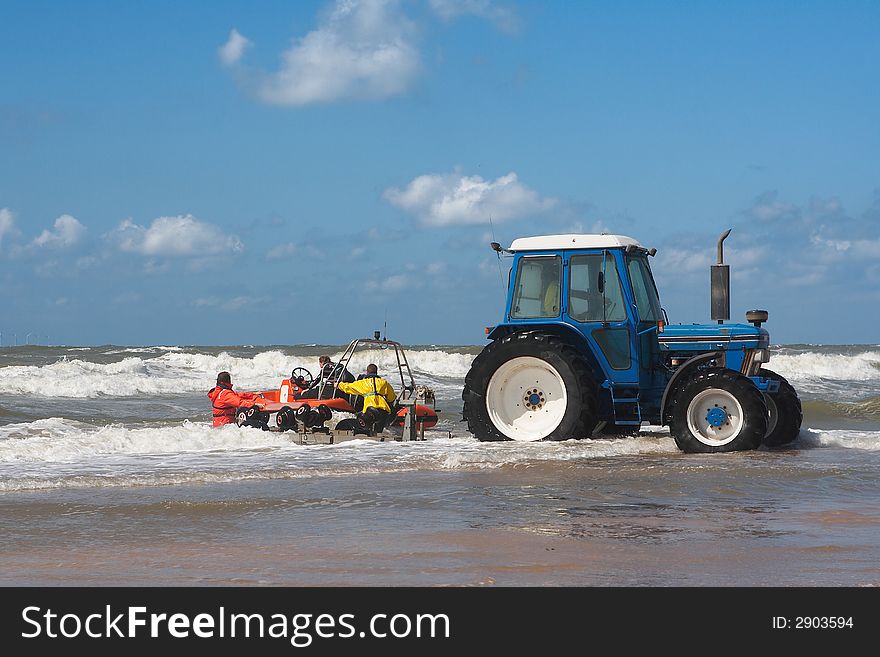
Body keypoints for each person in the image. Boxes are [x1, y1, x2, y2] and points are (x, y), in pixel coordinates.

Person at [335, 364, 397, 433]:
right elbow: (391, 398)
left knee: (368, 429)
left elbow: (349, 387)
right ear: (376, 372)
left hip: (370, 410)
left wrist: (338, 385)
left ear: (367, 372)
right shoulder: (384, 382)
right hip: (383, 410)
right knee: (379, 431)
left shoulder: (363, 383)